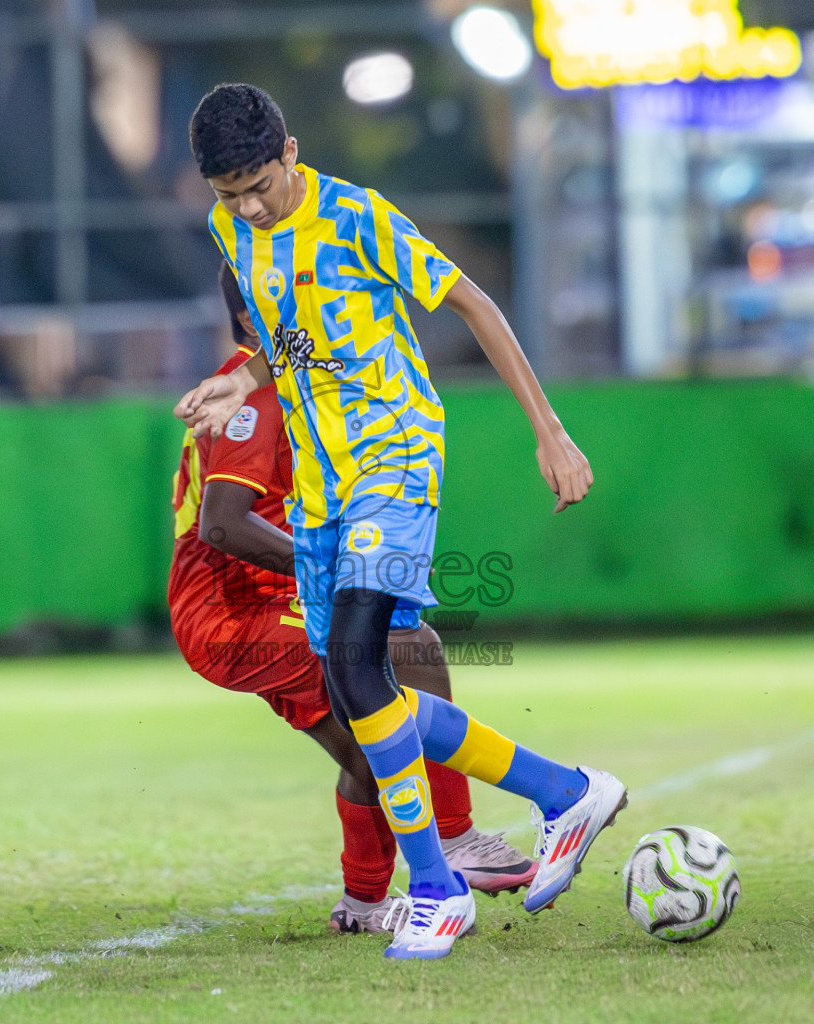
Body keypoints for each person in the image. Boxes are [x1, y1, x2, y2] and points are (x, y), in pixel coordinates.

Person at [175, 83, 628, 960]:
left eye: (259, 184)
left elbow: (475, 306)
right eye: (228, 192)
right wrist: (245, 380)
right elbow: (291, 341)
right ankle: (567, 792)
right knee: (363, 690)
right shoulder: (231, 232)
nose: (248, 205)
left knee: (353, 657)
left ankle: (435, 888)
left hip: (397, 460)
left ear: (292, 153)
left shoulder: (358, 220)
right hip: (323, 487)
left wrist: (552, 432)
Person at [168, 264, 539, 935]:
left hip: (264, 596)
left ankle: (365, 906)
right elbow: (220, 522)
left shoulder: (299, 383)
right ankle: (456, 836)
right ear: (255, 321)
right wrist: (331, 568)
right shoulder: (259, 397)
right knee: (410, 645)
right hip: (229, 609)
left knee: (373, 749)